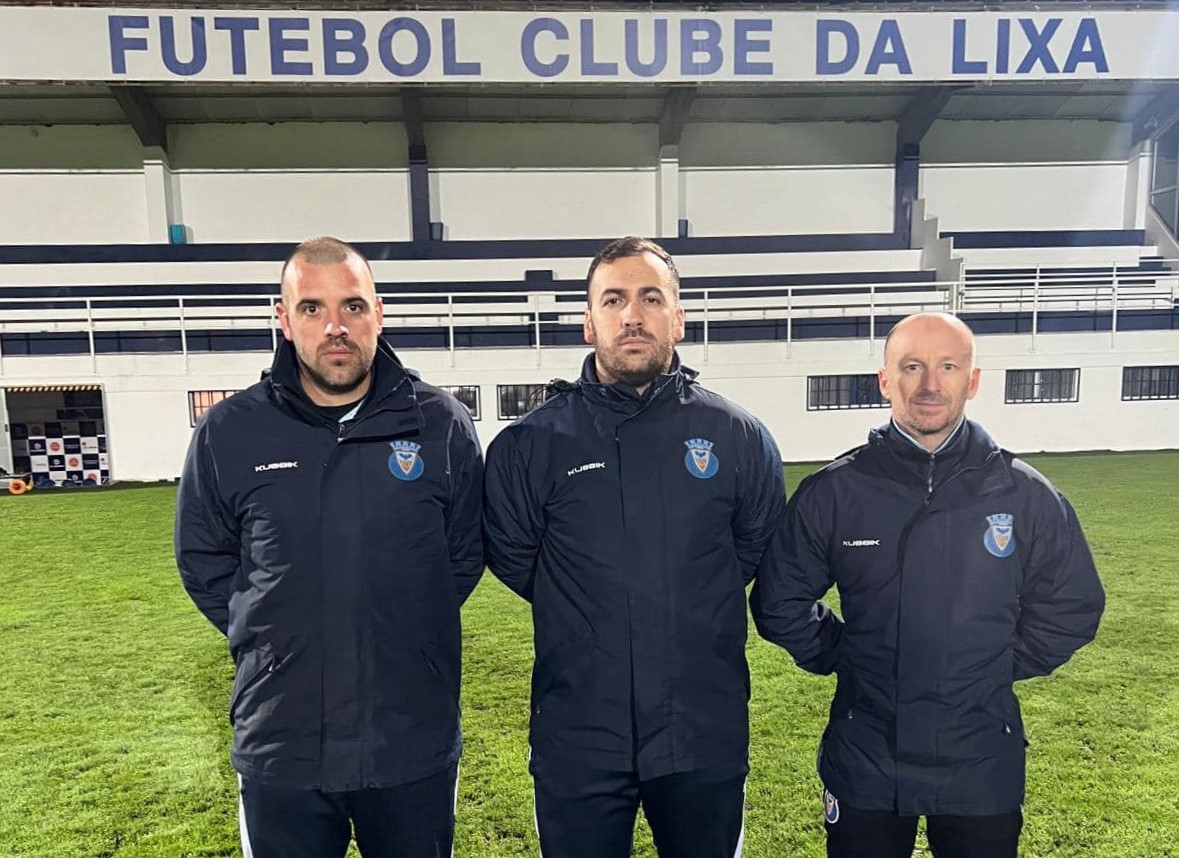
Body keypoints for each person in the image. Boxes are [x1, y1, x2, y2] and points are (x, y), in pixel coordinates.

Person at [751, 311, 1105, 858]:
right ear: (885, 380)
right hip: (866, 751)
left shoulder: (1024, 494)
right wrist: (846, 655)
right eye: (912, 367)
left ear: (973, 380)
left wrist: (995, 665)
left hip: (980, 754)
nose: (930, 385)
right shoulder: (835, 492)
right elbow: (779, 600)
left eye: (948, 367)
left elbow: (1073, 606)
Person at [174, 237, 483, 858]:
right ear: (284, 320)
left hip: (410, 738)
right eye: (312, 308)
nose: (335, 327)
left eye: (353, 306)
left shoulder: (440, 424)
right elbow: (205, 561)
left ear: (379, 314)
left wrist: (406, 634)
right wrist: (274, 636)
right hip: (280, 740)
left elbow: (462, 553)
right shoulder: (229, 431)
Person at [483, 236, 785, 858]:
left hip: (702, 731)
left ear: (679, 317)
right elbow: (515, 557)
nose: (632, 315)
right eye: (613, 299)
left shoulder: (739, 437)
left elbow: (750, 548)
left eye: (651, 298)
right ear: (588, 322)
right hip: (577, 735)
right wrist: (591, 602)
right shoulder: (529, 445)